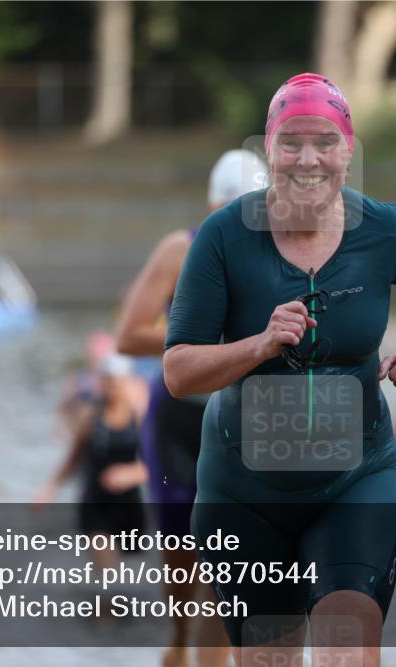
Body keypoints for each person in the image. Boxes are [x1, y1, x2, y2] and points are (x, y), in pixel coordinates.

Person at [163, 73, 396, 667]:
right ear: (269, 151)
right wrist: (259, 344)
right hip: (243, 495)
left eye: (325, 142)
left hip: (355, 483)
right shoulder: (224, 237)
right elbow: (179, 371)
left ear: (348, 151)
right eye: (291, 142)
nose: (309, 159)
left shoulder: (391, 229)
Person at [115, 149, 266, 667]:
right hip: (179, 421)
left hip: (239, 423)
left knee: (225, 571)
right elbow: (129, 335)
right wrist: (197, 341)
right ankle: (180, 643)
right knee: (182, 569)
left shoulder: (281, 256)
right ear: (211, 206)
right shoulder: (180, 250)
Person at [35, 354, 148, 571]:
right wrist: (50, 488)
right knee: (109, 573)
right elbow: (73, 459)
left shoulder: (139, 419)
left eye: (117, 383)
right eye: (108, 382)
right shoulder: (90, 418)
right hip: (95, 504)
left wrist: (133, 473)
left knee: (131, 579)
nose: (112, 388)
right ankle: (104, 602)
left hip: (129, 507)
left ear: (128, 384)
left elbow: (158, 466)